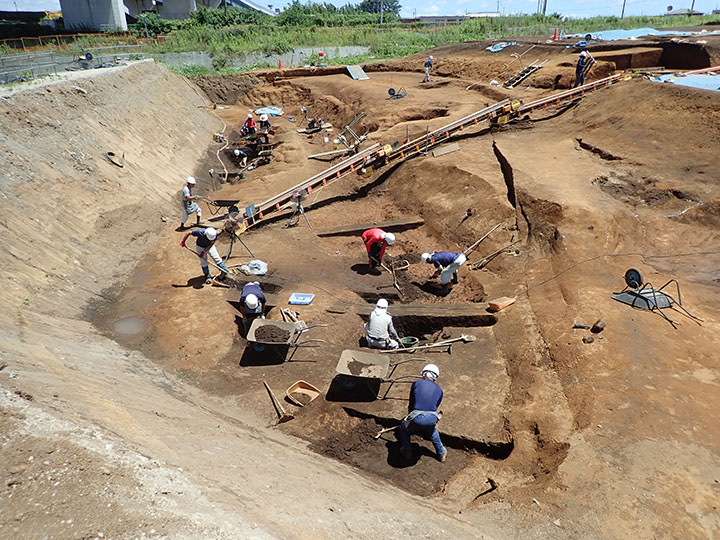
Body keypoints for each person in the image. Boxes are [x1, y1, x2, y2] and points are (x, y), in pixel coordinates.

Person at [398, 363, 446, 462]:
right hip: (432, 416)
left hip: (417, 416)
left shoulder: (416, 383)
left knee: (404, 427)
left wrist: (410, 415)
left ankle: (406, 450)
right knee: (432, 431)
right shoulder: (440, 390)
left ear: (424, 374)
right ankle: (441, 452)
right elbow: (435, 406)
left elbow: (412, 401)